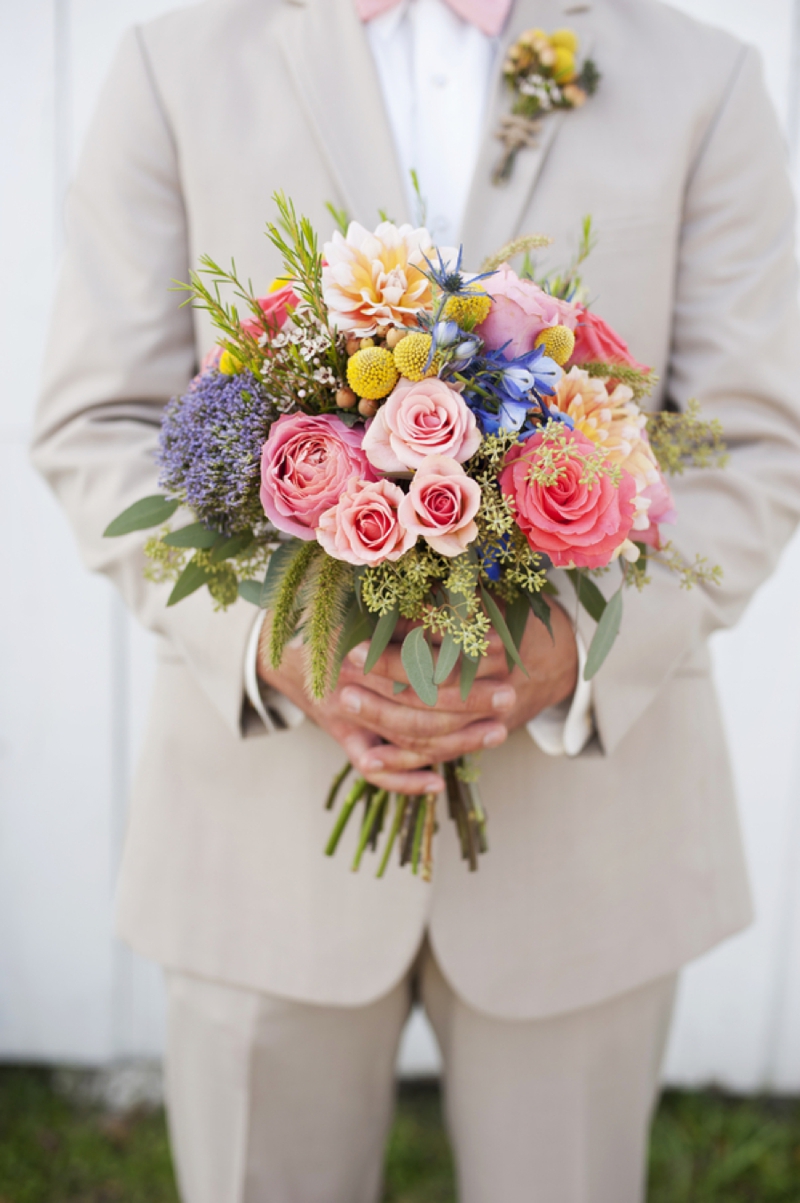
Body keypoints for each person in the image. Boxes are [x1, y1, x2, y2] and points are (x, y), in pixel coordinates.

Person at [32, 0, 800, 1200]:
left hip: (587, 841)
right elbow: (100, 422)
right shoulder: (173, 63)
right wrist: (275, 640)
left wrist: (578, 653)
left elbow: (751, 440)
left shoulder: (703, 80)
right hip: (261, 832)